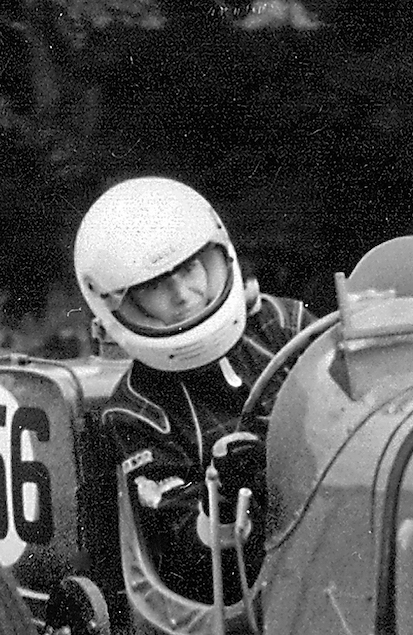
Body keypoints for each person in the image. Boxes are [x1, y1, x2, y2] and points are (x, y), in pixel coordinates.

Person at [73, 176, 311, 605]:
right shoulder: (137, 411)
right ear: (122, 304)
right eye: (153, 285)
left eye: (187, 268)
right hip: (254, 595)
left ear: (215, 258)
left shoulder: (283, 323)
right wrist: (224, 499)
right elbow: (187, 567)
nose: (182, 294)